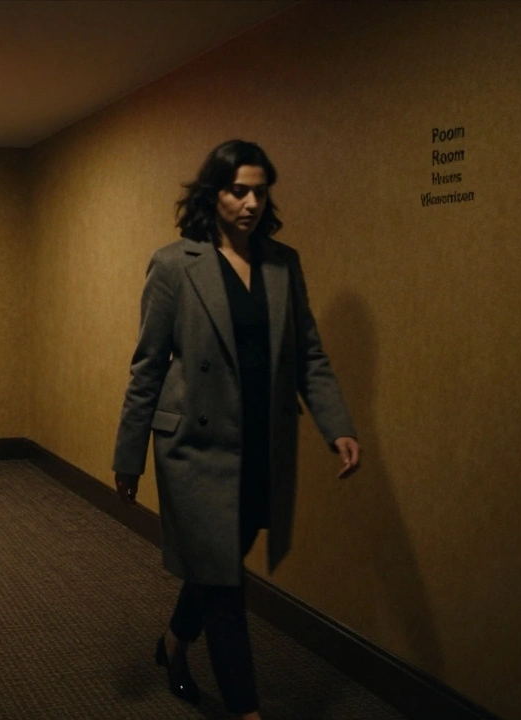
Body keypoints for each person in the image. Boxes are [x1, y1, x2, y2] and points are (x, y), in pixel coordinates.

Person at [112, 140, 361, 719]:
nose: (251, 203)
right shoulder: (175, 264)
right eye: (237, 191)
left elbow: (308, 354)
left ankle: (174, 644)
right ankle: (246, 711)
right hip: (194, 450)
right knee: (226, 587)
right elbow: (147, 366)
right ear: (213, 194)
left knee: (218, 564)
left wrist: (337, 425)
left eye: (260, 192)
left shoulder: (282, 264)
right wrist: (129, 455)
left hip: (260, 447)